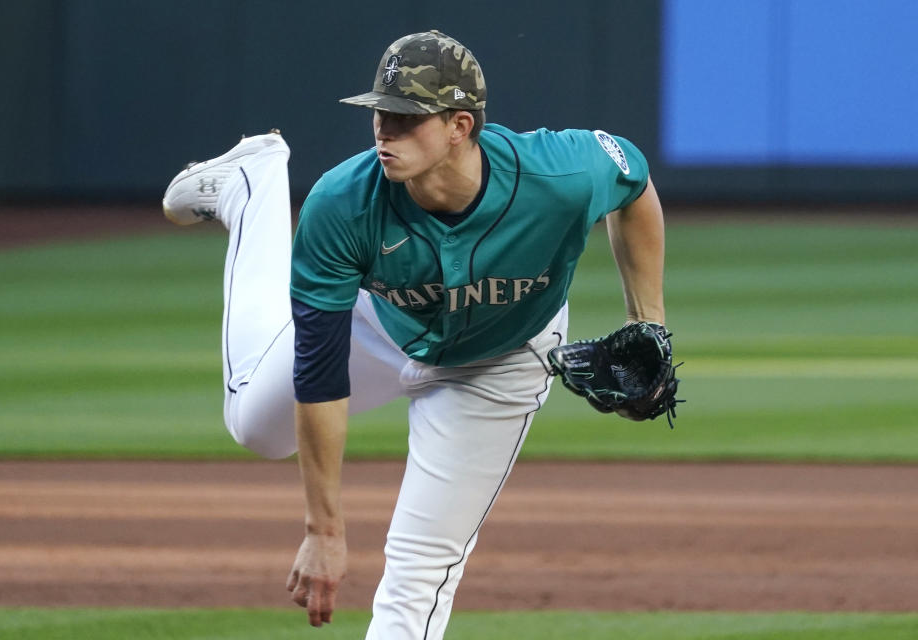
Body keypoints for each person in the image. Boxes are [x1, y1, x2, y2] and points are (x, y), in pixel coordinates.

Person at [162, 30, 667, 640]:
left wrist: (649, 322)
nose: (384, 129)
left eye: (406, 117)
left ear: (460, 125)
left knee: (419, 574)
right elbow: (320, 376)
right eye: (381, 111)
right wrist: (323, 529)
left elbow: (632, 180)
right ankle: (253, 189)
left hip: (501, 361)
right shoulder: (343, 203)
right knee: (255, 428)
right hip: (378, 326)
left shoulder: (561, 173)